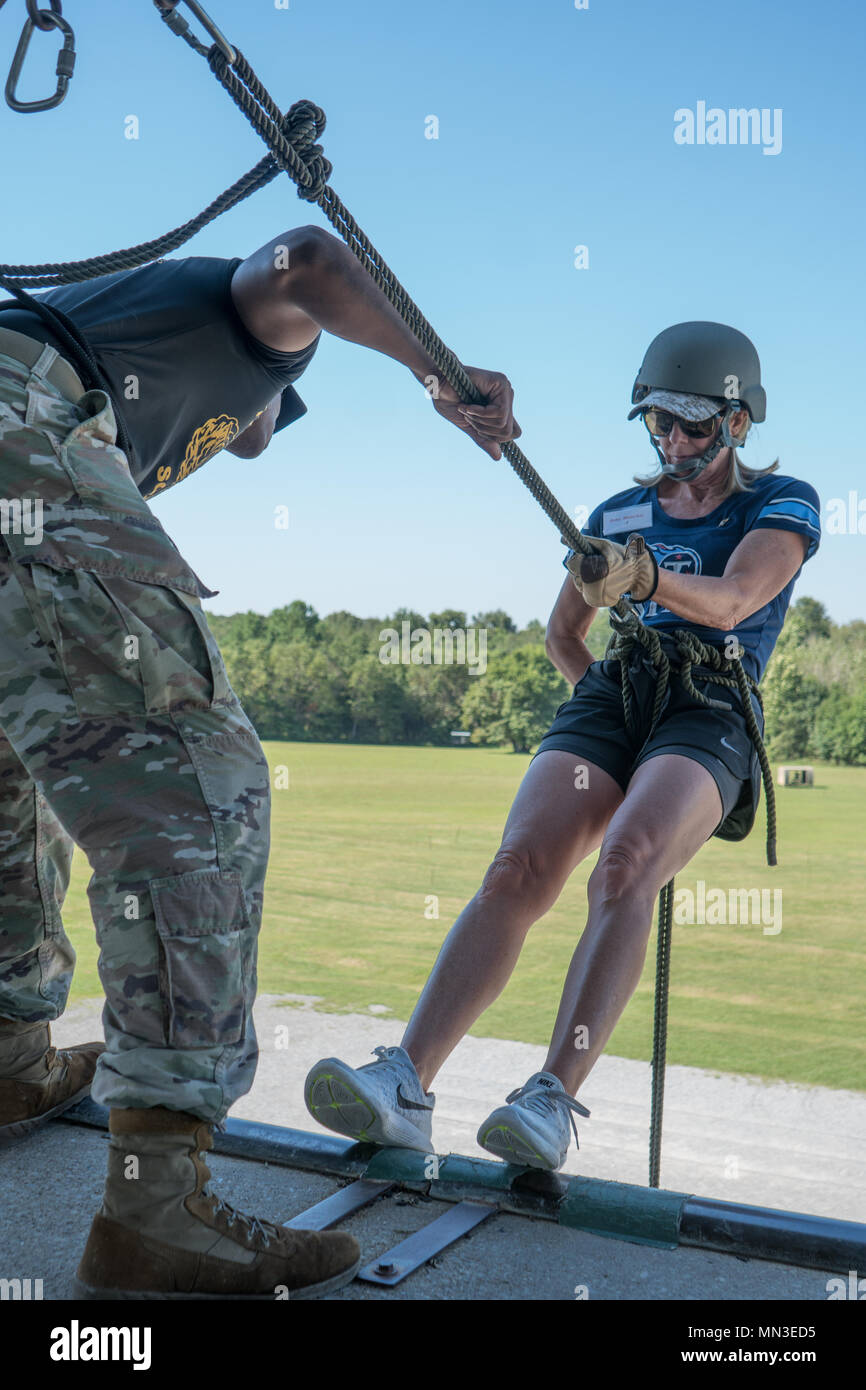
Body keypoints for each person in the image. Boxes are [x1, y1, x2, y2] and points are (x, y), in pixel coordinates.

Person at [0, 223, 519, 1299]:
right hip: (18, 420)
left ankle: (8, 1056)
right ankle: (156, 1206)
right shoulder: (260, 342)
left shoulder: (159, 364)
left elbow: (245, 441)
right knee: (193, 783)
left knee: (22, 750)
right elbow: (306, 263)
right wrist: (441, 370)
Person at [304, 321, 821, 1173]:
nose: (674, 440)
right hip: (616, 690)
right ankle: (406, 1085)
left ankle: (549, 1099)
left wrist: (647, 580)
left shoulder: (780, 502)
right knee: (517, 868)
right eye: (659, 422)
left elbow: (732, 602)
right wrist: (605, 730)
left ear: (738, 423)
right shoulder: (613, 516)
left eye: (694, 424)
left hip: (709, 702)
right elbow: (563, 633)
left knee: (627, 861)